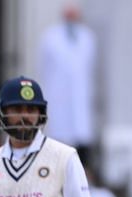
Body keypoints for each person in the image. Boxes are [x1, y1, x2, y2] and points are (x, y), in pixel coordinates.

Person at [38, 3, 97, 168]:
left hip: (80, 99)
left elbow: (89, 67)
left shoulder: (87, 37)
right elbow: (43, 67)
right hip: (58, 98)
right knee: (59, 145)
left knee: (81, 144)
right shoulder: (50, 37)